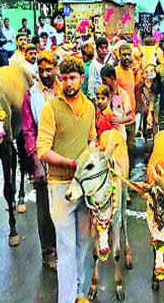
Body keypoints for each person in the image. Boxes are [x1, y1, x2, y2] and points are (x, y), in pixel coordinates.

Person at [37, 56, 96, 303]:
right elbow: (42, 150)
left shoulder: (90, 107)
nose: (68, 83)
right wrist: (71, 163)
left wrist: (91, 155)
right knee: (66, 247)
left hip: (84, 186)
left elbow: (92, 139)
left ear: (82, 79)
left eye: (73, 78)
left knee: (83, 243)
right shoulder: (51, 108)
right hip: (60, 185)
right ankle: (66, 299)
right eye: (64, 78)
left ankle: (79, 294)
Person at [22, 51, 60, 271]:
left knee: (65, 206)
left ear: (56, 68)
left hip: (63, 157)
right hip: (43, 160)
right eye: (42, 70)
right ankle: (49, 252)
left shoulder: (64, 90)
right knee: (45, 210)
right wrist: (36, 162)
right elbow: (28, 131)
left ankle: (64, 247)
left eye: (49, 69)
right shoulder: (31, 96)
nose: (45, 74)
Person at [115, 44, 136, 167]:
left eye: (129, 54)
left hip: (132, 117)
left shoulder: (131, 72)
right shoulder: (116, 72)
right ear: (119, 56)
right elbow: (115, 94)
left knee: (132, 148)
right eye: (124, 55)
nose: (127, 57)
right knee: (121, 148)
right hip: (121, 118)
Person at [100, 65, 133, 138]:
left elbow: (129, 117)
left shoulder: (122, 94)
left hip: (119, 136)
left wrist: (119, 121)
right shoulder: (102, 93)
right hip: (104, 136)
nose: (102, 82)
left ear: (112, 78)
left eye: (104, 80)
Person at [88, 37, 108, 102]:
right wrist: (95, 104)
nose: (104, 50)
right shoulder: (93, 65)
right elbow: (90, 88)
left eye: (106, 48)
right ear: (96, 50)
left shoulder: (106, 64)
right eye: (102, 48)